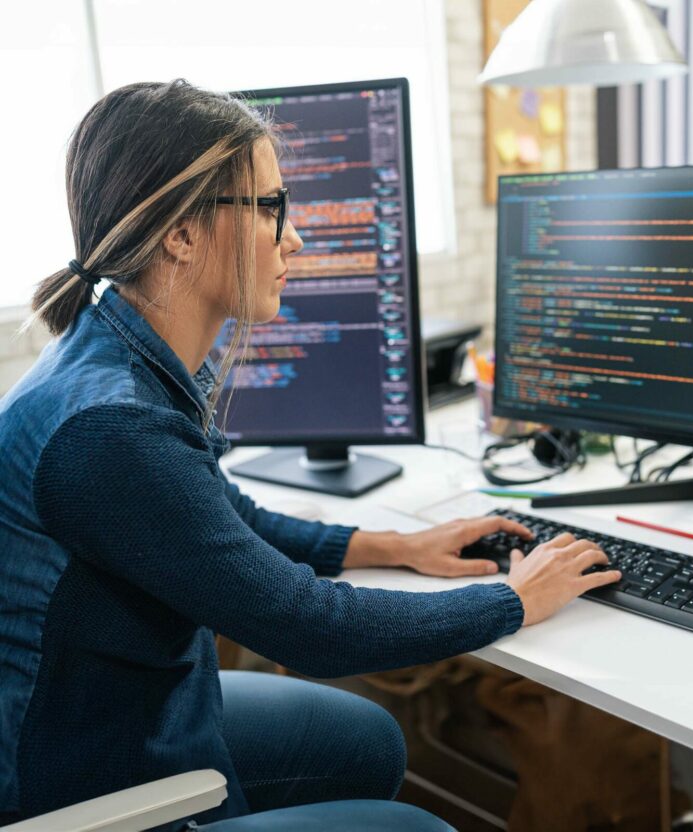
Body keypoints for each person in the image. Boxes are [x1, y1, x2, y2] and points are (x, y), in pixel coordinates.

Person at [0, 79, 620, 832]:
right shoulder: (109, 428)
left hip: (127, 710)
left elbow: (224, 517)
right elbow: (310, 627)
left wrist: (399, 546)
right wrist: (515, 599)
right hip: (81, 783)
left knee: (371, 742)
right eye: (269, 209)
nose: (294, 238)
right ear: (181, 235)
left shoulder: (115, 357)